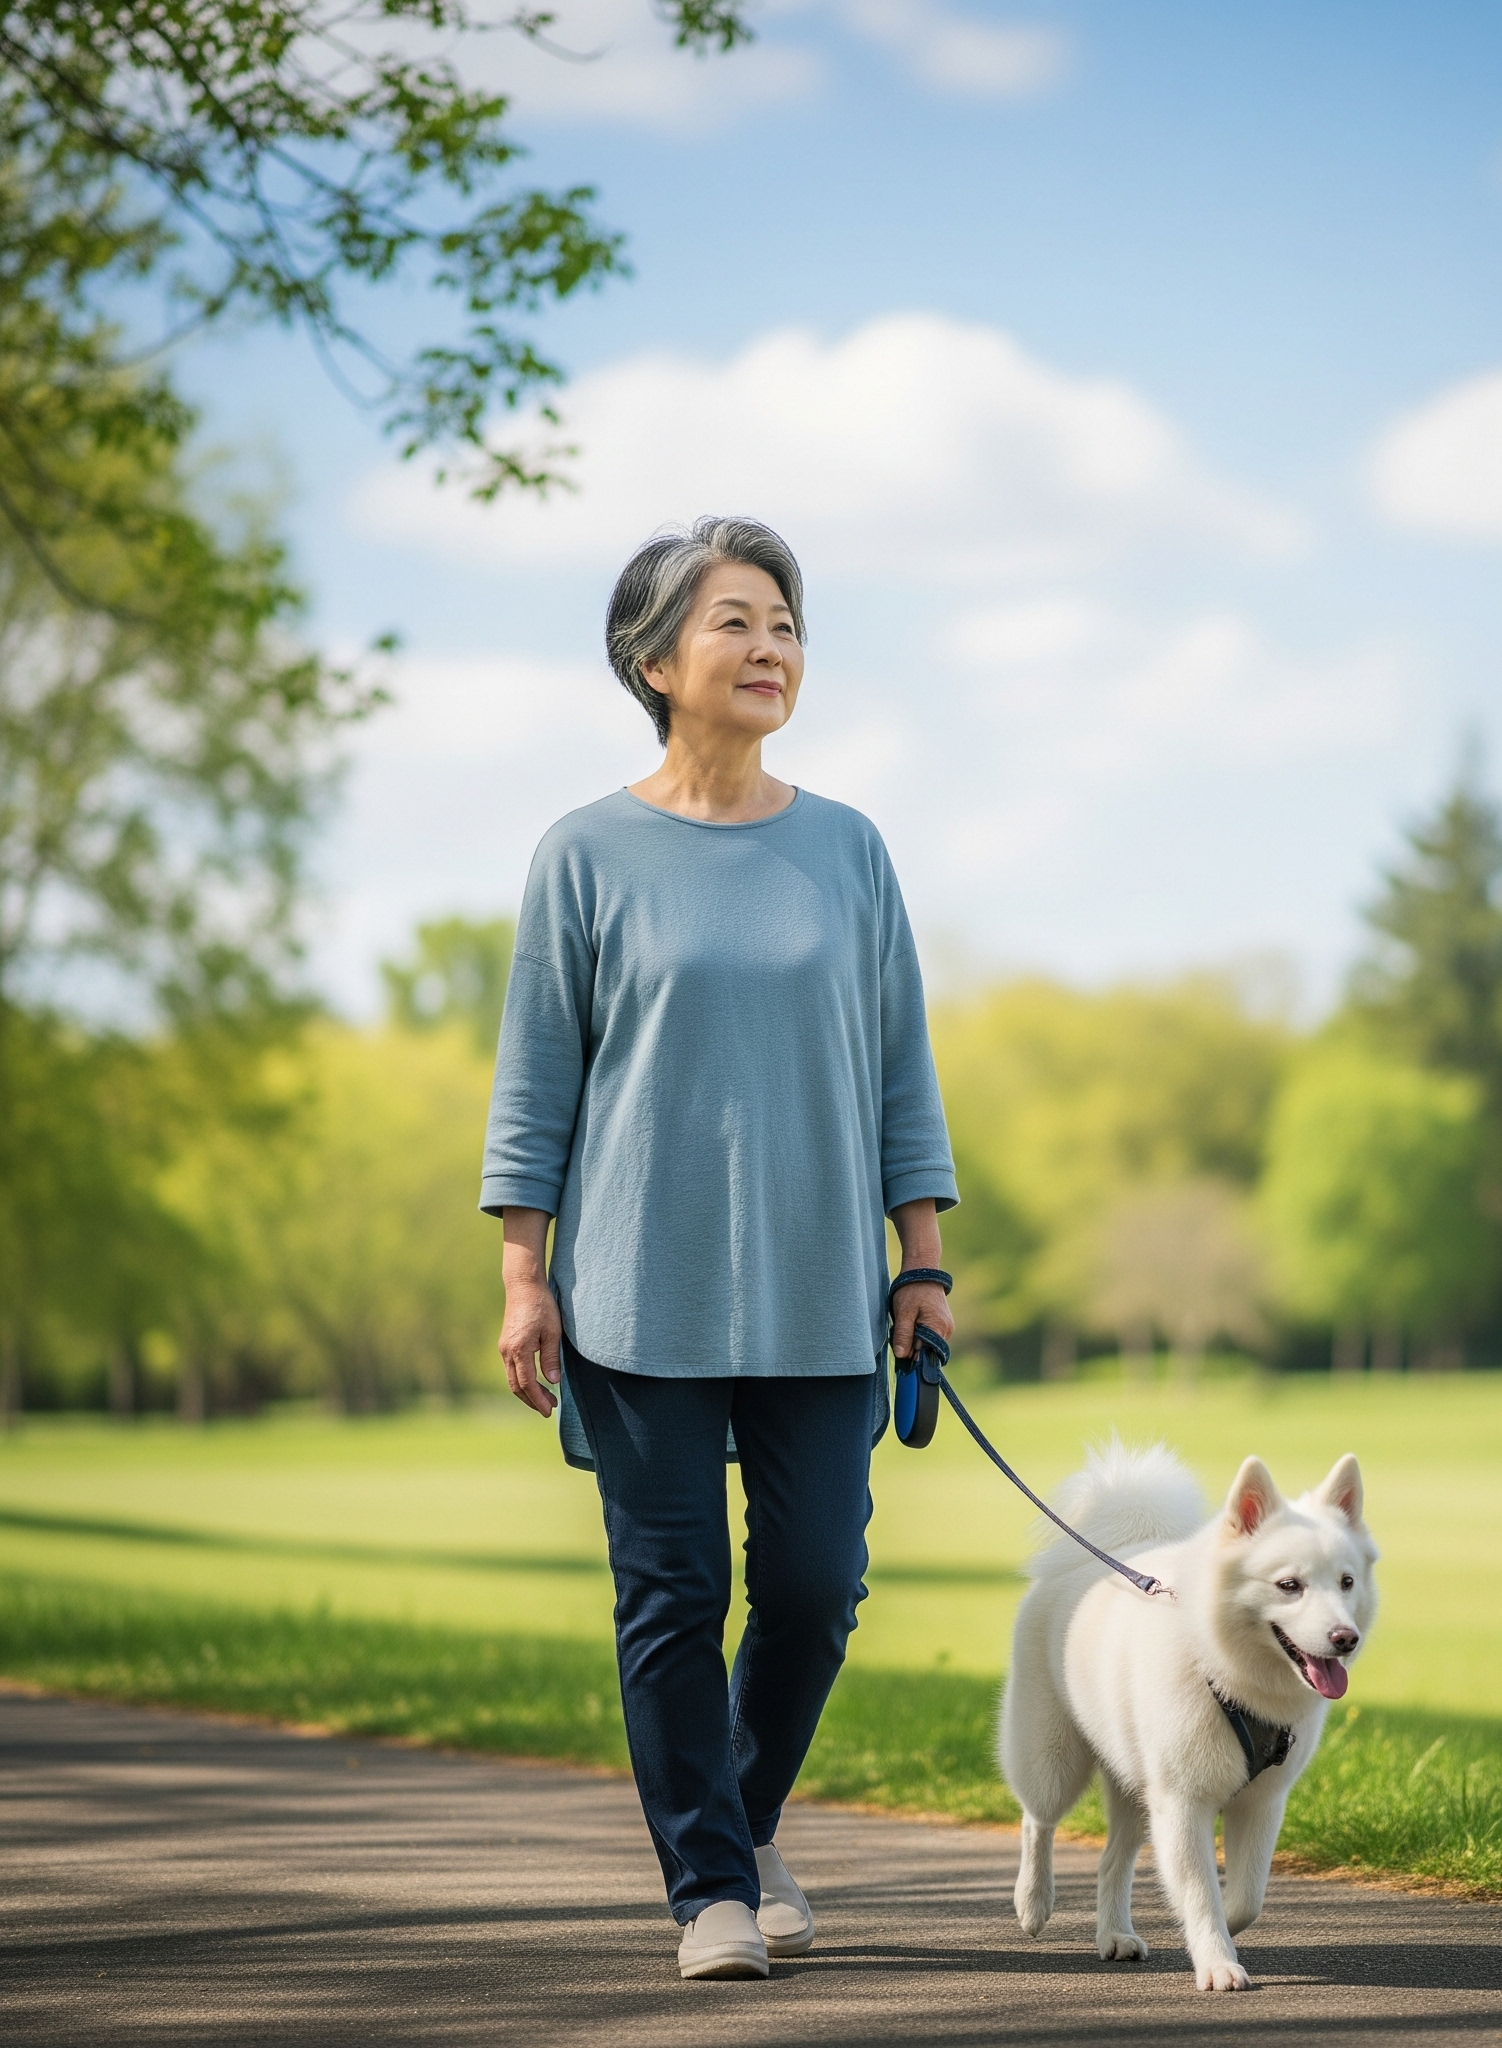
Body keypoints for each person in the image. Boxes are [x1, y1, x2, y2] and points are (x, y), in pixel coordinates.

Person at [480, 515, 957, 1981]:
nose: (772, 650)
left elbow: (899, 1068)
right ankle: (711, 1894)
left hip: (822, 1289)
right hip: (637, 1289)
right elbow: (537, 1079)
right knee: (673, 1593)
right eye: (737, 622)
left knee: (816, 1587)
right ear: (653, 659)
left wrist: (921, 1260)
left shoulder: (848, 848)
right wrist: (522, 1272)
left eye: (788, 625)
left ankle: (736, 1822)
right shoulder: (586, 853)